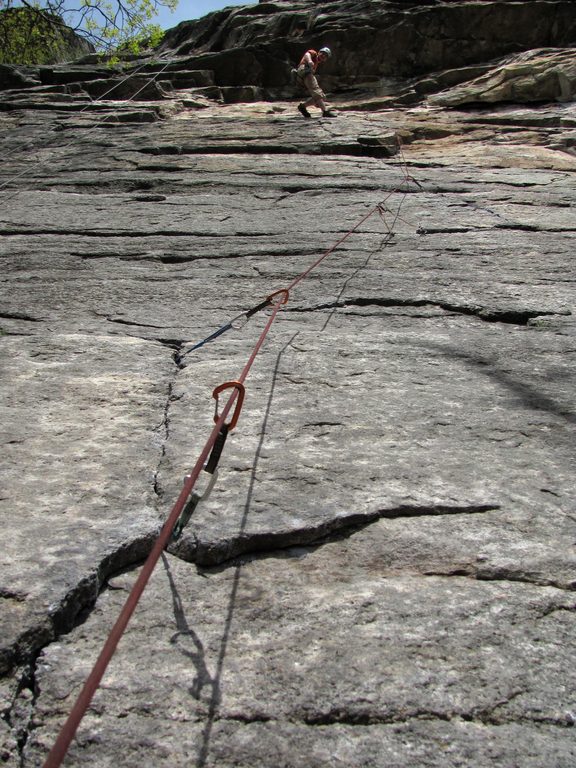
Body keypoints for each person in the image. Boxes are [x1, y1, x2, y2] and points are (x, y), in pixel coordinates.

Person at [296, 46, 337, 118]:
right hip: (305, 72)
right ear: (319, 52)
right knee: (317, 92)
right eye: (323, 53)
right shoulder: (314, 54)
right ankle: (325, 111)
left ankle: (302, 106)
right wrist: (309, 61)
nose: (323, 56)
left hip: (305, 75)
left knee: (322, 97)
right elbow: (307, 54)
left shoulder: (316, 63)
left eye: (326, 56)